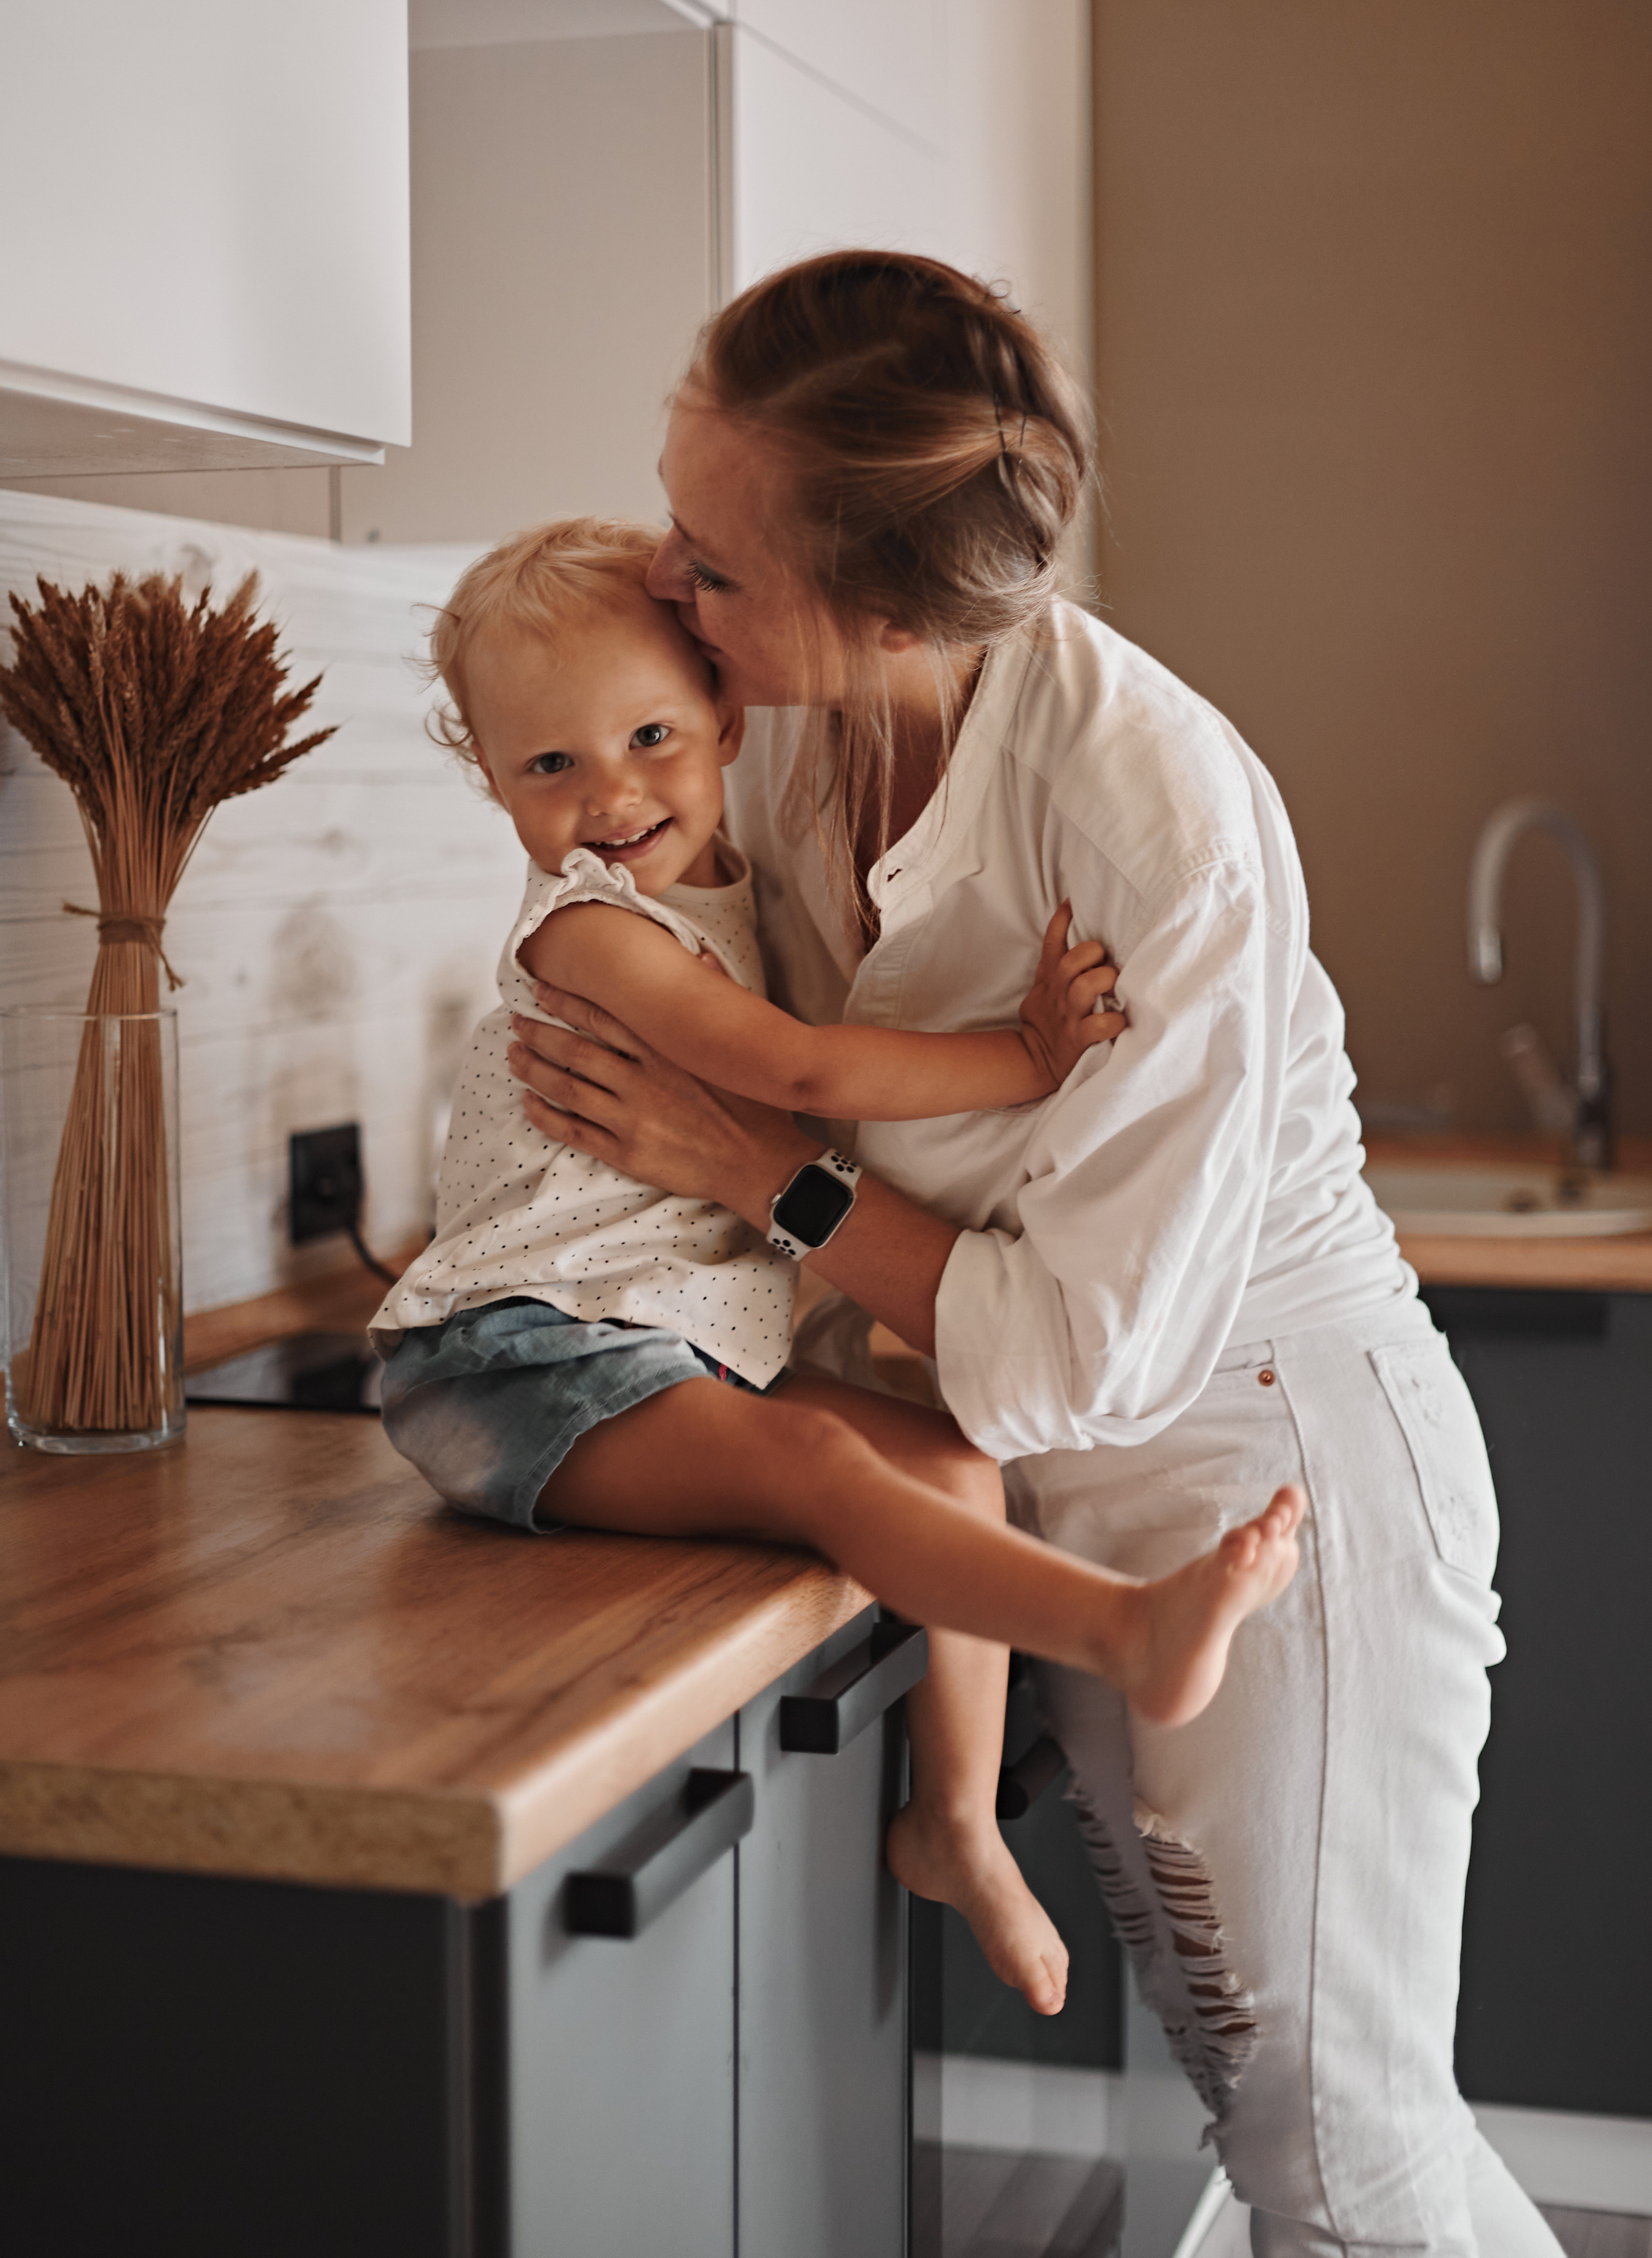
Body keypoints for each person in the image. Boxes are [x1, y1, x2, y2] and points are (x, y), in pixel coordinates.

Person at [503, 256, 1564, 2257]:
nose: (669, 579)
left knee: (1343, 2151)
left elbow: (1068, 1347)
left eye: (717, 566)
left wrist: (763, 1174)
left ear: (888, 604)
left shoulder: (1150, 821)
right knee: (1285, 2146)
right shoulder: (794, 717)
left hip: (1265, 1468)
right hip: (1088, 1502)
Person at [369, 517, 1306, 2022]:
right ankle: (1114, 1628)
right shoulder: (592, 934)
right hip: (515, 1363)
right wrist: (1021, 1054)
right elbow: (796, 1066)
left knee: (952, 1453)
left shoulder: (727, 886)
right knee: (815, 1458)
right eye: (549, 768)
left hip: (642, 1352)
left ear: (726, 717)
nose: (609, 797)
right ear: (491, 781)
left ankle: (950, 1826)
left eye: (649, 736)